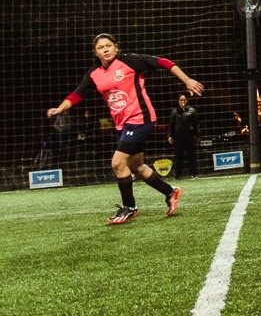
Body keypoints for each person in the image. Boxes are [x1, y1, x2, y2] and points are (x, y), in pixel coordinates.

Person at [46, 33, 203, 225]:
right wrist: (59, 108)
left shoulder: (130, 61)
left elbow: (164, 62)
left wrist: (186, 80)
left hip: (140, 119)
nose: (105, 49)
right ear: (95, 52)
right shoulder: (94, 73)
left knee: (117, 163)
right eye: (100, 47)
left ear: (116, 47)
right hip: (122, 124)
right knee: (136, 166)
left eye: (109, 45)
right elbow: (77, 94)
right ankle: (170, 192)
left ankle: (129, 207)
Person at [168, 93, 200, 178]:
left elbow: (196, 124)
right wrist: (170, 136)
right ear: (178, 101)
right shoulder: (174, 111)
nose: (182, 102)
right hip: (178, 137)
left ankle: (193, 174)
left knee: (192, 155)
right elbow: (171, 124)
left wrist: (198, 135)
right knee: (178, 156)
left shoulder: (192, 110)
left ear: (187, 100)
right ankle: (178, 175)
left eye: (184, 100)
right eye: (181, 100)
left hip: (190, 136)